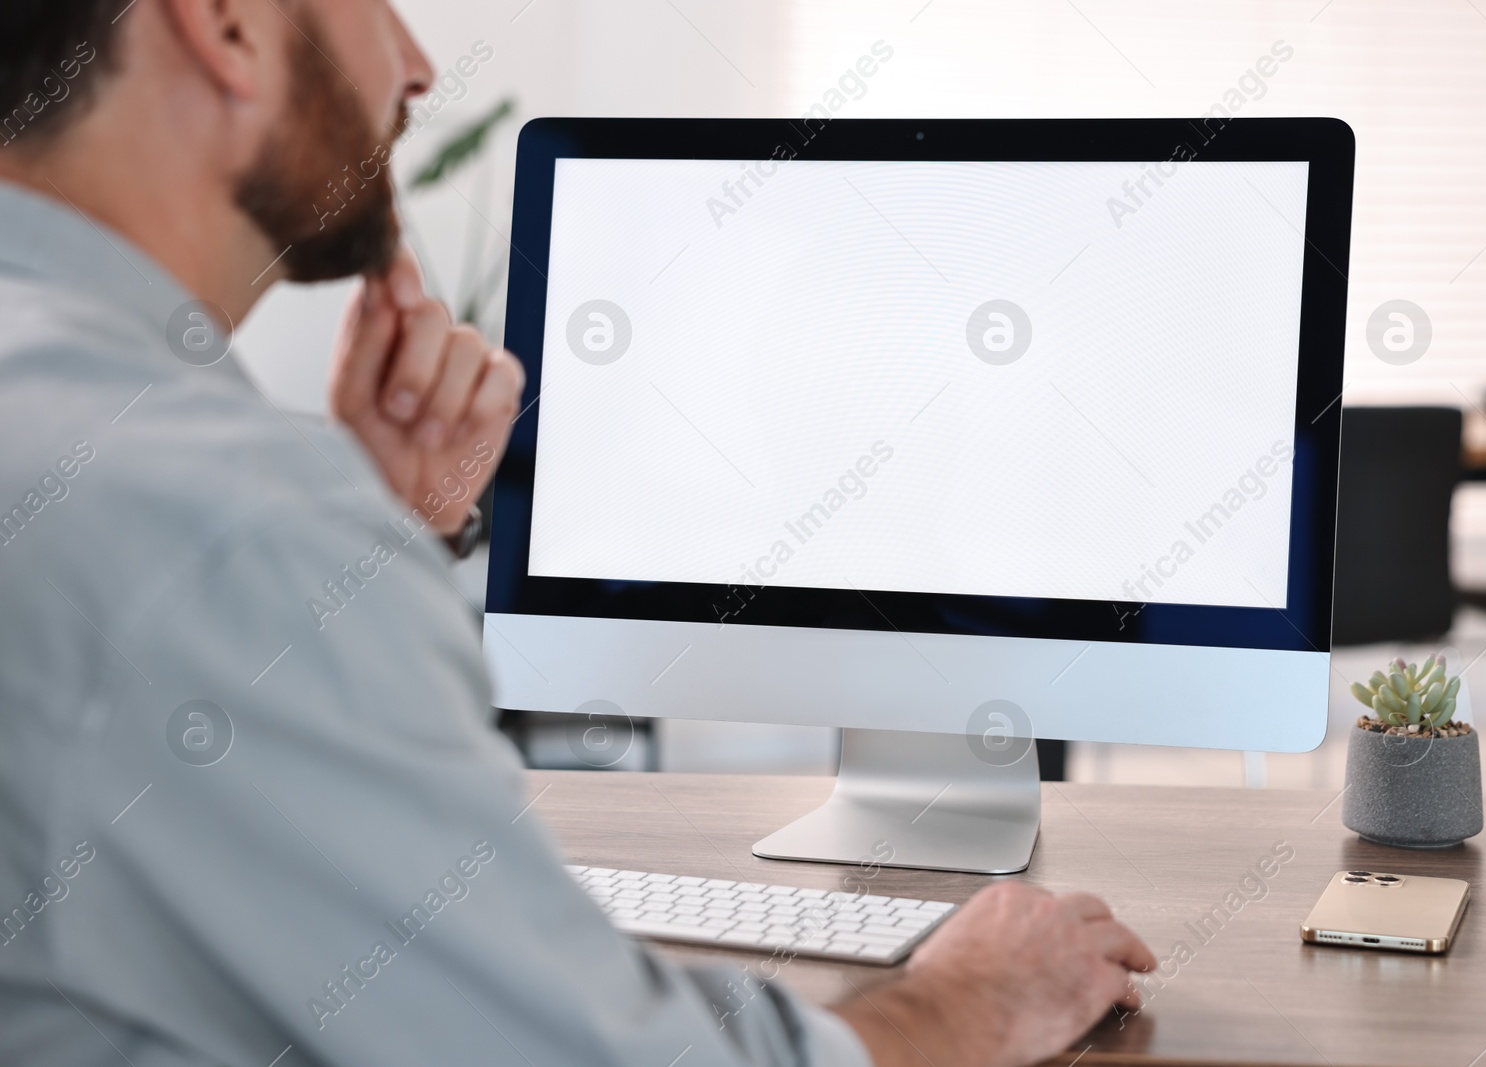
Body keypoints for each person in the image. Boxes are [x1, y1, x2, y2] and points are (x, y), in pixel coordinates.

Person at [0, 2, 1156, 1064]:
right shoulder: (216, 521)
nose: (416, 64)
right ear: (228, 26)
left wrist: (366, 536)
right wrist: (963, 999)